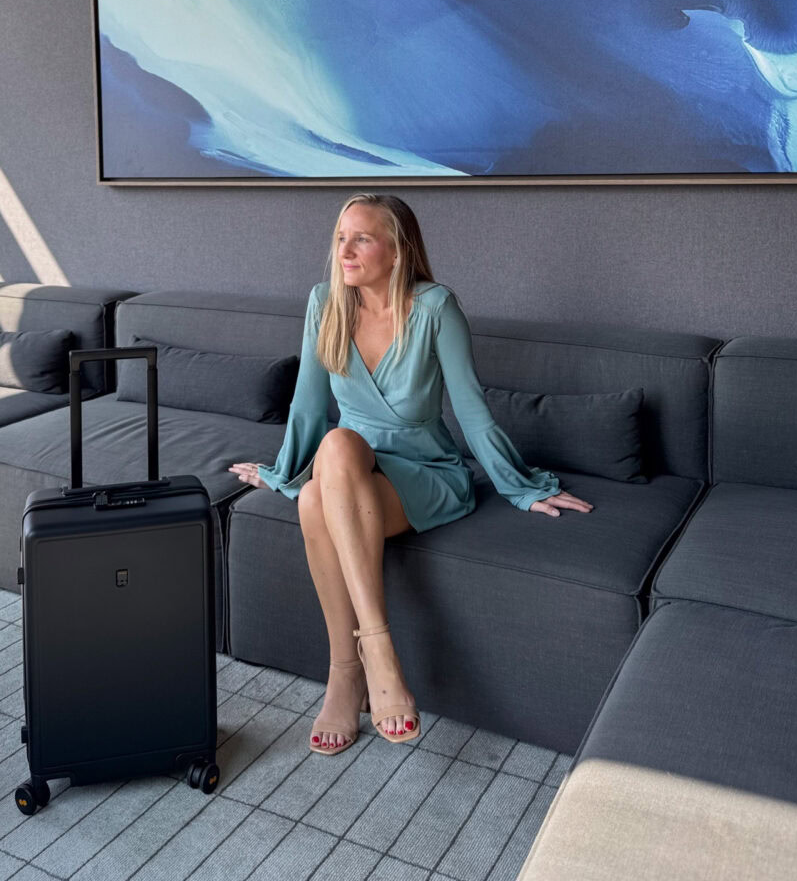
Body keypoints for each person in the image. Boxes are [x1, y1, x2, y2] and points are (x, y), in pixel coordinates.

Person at [229, 192, 594, 756]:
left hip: (424, 473)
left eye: (362, 238)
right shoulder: (325, 302)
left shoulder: (435, 307)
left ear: (398, 251)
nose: (345, 250)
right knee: (331, 456)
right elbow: (306, 403)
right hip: (348, 467)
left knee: (322, 482)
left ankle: (355, 665)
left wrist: (520, 488)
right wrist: (281, 472)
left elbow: (471, 409)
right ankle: (361, 660)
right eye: (341, 237)